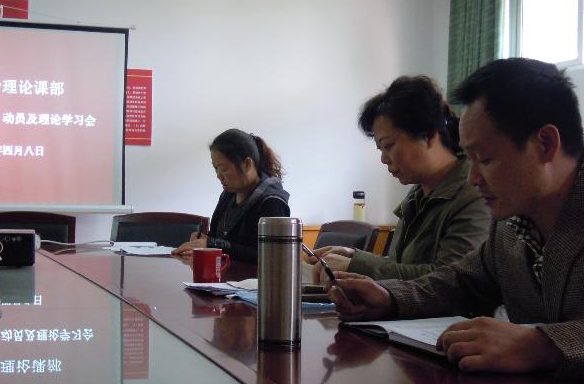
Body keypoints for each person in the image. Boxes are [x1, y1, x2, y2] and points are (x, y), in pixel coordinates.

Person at [330, 57, 584, 380]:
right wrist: (390, 298)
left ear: (546, 144)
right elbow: (461, 282)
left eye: (485, 159)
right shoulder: (512, 223)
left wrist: (545, 345)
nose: (472, 178)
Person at [306, 75, 489, 282]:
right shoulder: (419, 193)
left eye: (388, 145)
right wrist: (354, 256)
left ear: (428, 135)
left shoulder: (474, 193)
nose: (384, 159)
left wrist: (357, 265)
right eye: (381, 149)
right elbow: (404, 265)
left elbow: (451, 280)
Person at [173, 128, 290, 262]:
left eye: (224, 169)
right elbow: (216, 237)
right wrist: (204, 240)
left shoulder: (272, 202)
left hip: (254, 276)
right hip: (224, 273)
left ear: (247, 164)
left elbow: (269, 256)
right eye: (216, 169)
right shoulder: (228, 195)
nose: (218, 175)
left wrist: (212, 244)